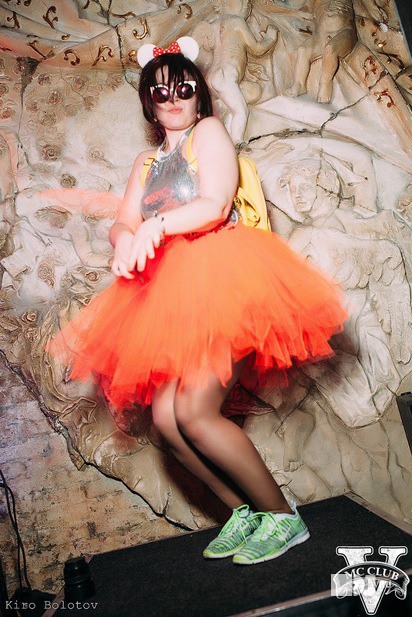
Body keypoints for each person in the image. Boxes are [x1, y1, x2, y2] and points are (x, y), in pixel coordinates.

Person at [47, 37, 347, 565]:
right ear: (149, 103)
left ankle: (283, 517)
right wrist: (125, 240)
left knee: (194, 411)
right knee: (167, 422)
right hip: (170, 298)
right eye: (161, 92)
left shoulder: (207, 133)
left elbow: (214, 203)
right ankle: (244, 513)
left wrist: (156, 227)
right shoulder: (147, 161)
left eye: (184, 88)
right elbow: (123, 220)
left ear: (199, 94)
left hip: (223, 282)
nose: (174, 99)